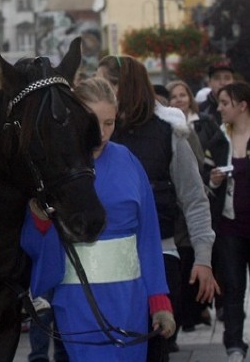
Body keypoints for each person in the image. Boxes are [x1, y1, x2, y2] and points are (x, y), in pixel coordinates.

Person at [22, 76, 174, 361]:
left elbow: (148, 236)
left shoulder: (128, 160)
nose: (103, 134)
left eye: (110, 123)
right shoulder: (57, 167)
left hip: (131, 300)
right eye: (94, 122)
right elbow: (32, 242)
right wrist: (40, 219)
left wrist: (159, 299)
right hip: (77, 299)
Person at [96, 56, 217, 362]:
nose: (98, 91)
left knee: (154, 350)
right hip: (103, 261)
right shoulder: (94, 137)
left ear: (122, 87)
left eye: (105, 84)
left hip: (160, 258)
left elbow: (194, 199)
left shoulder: (168, 133)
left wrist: (203, 259)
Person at [167, 79, 228, 333]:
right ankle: (190, 312)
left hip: (200, 193)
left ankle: (201, 307)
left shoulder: (201, 123)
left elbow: (209, 155)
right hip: (178, 206)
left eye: (183, 95)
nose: (179, 99)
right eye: (175, 96)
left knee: (197, 251)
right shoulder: (170, 125)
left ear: (190, 98)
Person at [208, 81, 250, 362]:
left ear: (242, 105)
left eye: (225, 103)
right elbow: (205, 177)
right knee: (233, 286)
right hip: (229, 226)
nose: (220, 108)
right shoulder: (218, 139)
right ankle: (234, 343)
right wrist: (212, 181)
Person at [200, 60, 236, 125]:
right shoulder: (201, 110)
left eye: (227, 78)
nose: (222, 83)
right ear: (209, 82)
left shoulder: (242, 108)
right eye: (217, 78)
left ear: (233, 81)